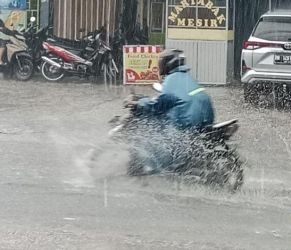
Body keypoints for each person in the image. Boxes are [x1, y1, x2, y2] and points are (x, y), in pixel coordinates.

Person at [126, 49, 215, 130]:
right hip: (204, 122)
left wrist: (138, 105)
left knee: (153, 126)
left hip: (185, 125)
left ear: (166, 63)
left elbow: (158, 104)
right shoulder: (187, 78)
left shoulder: (172, 79)